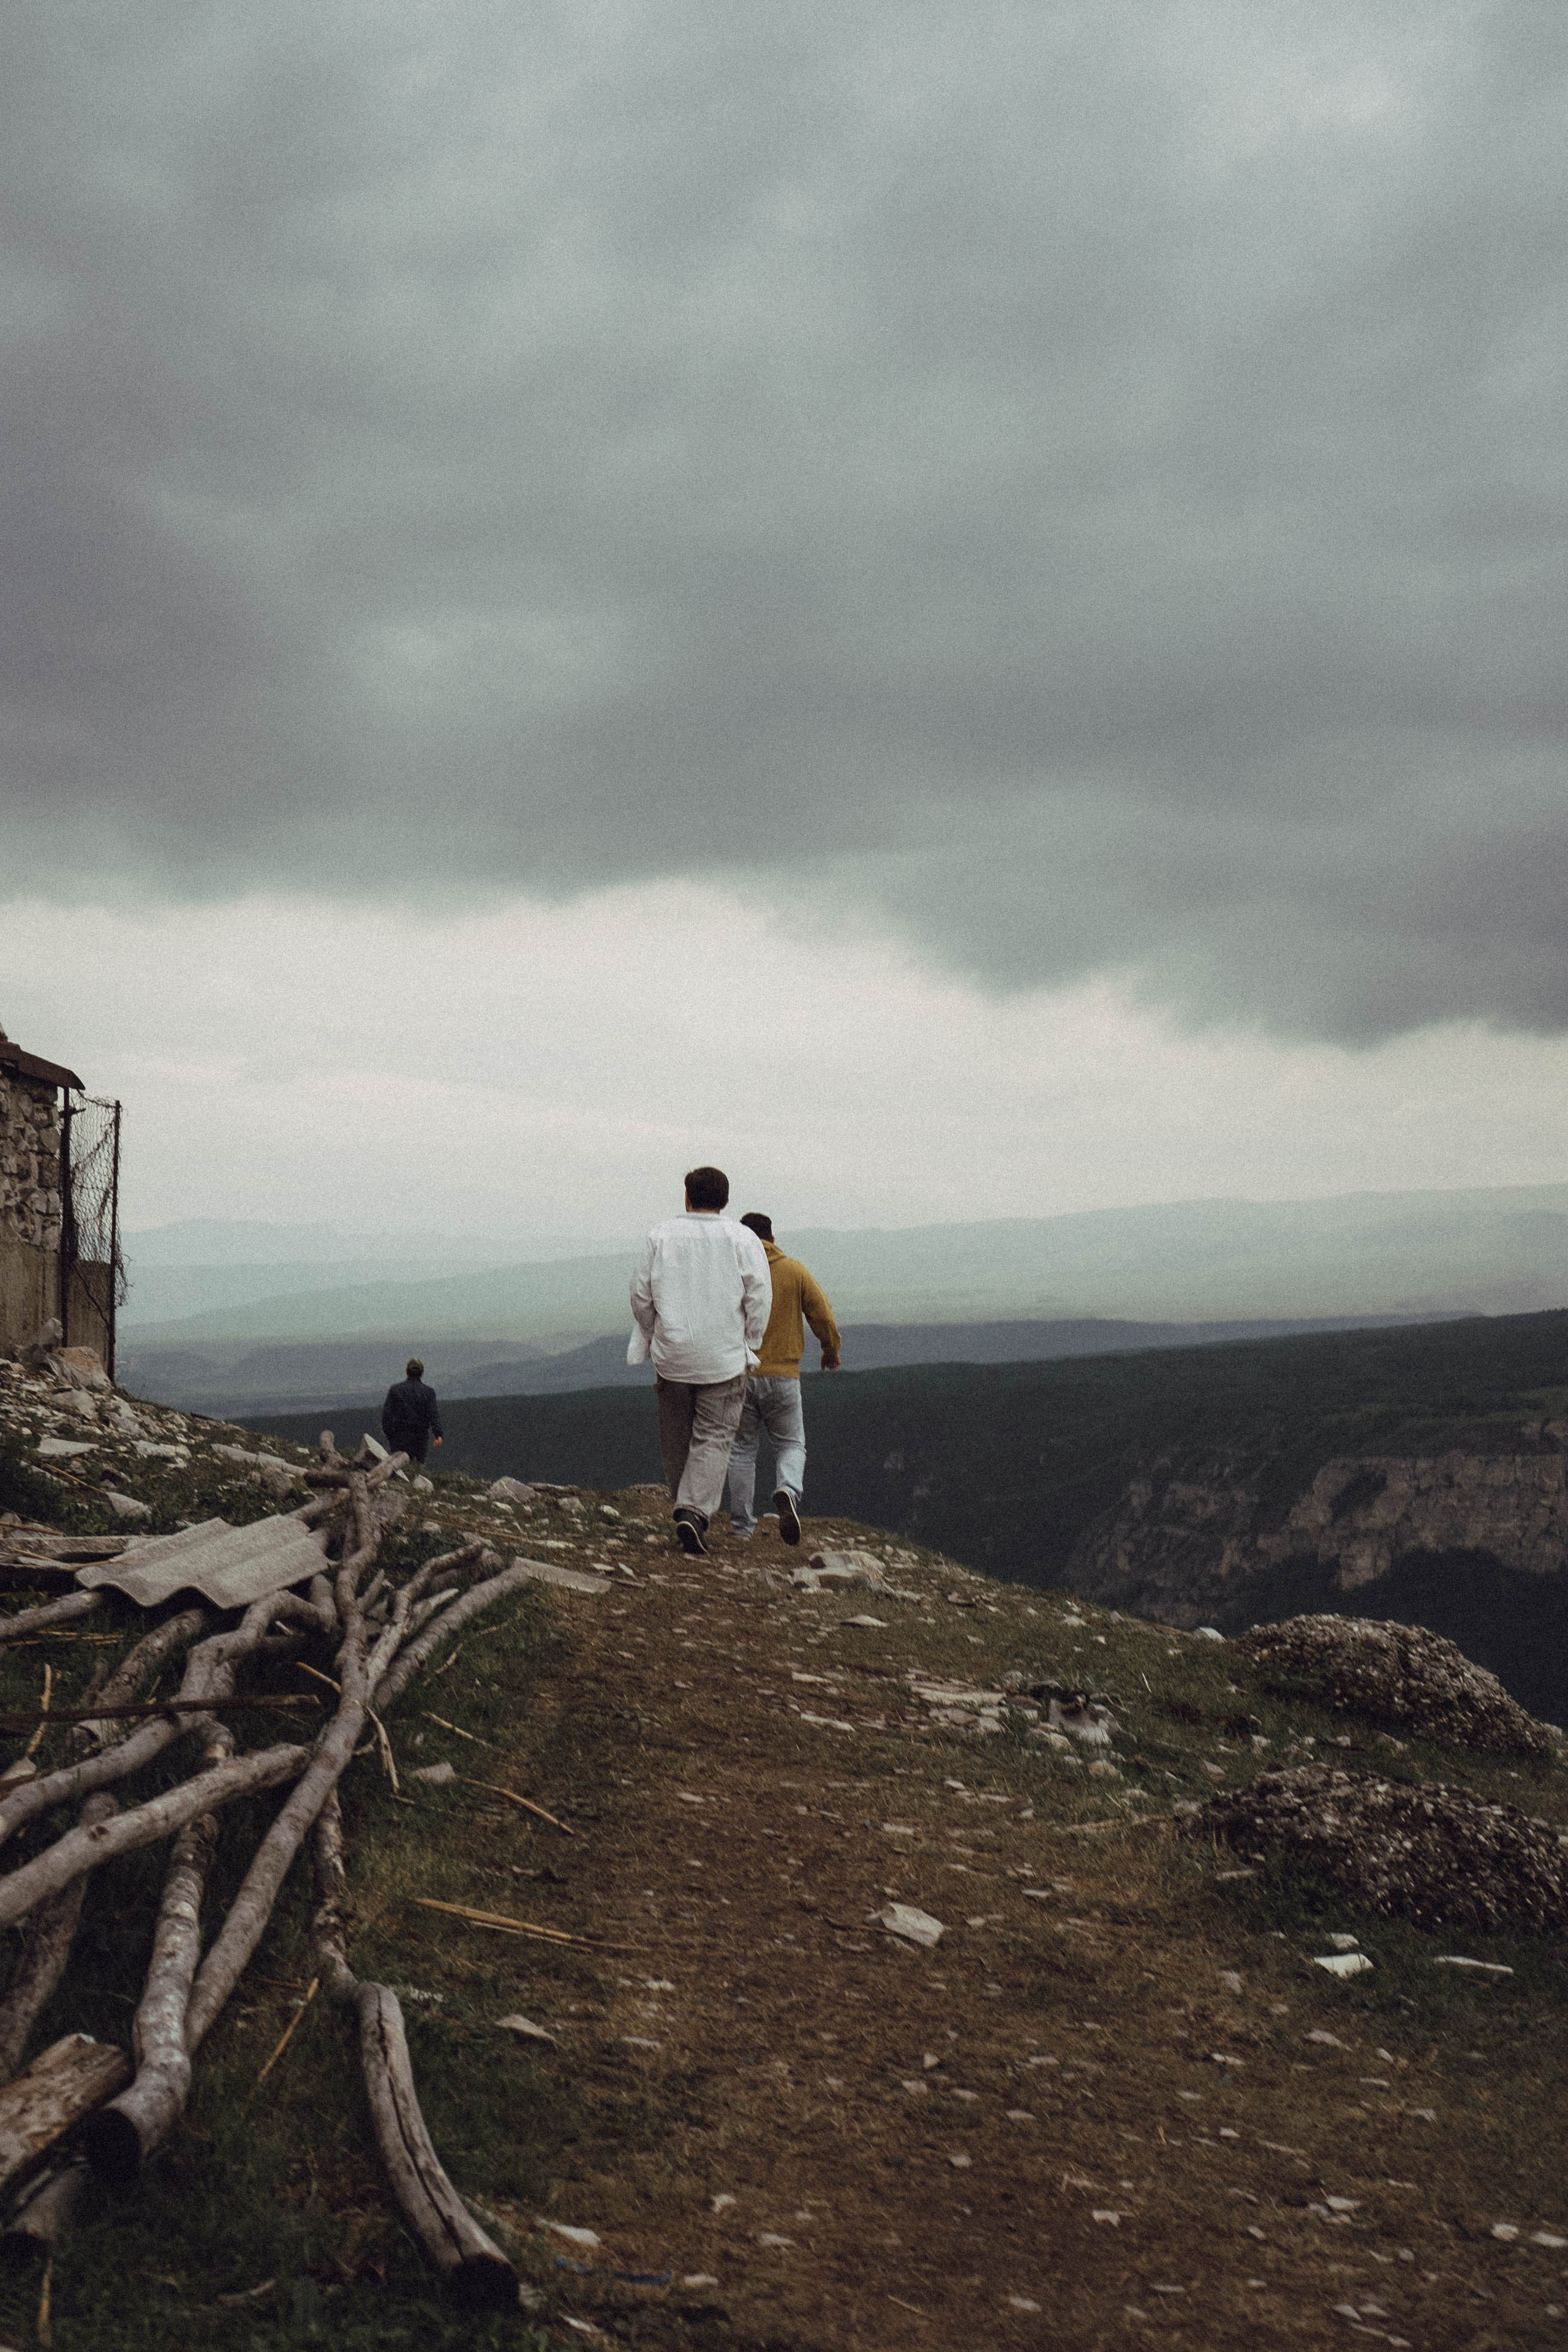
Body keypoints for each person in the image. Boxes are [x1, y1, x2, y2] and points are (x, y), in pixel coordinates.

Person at [629, 1165, 772, 1556]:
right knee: (714, 1435)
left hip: (672, 1355)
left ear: (687, 1197)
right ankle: (693, 1511)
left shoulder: (659, 1236)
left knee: (676, 1433)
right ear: (725, 1200)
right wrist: (752, 1340)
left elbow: (641, 1295)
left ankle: (684, 1507)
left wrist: (654, 1331)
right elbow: (759, 1296)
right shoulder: (742, 1239)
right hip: (723, 1357)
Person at [723, 1213, 842, 1545]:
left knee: (742, 1451)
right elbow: (823, 1315)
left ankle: (742, 1528)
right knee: (791, 1443)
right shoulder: (794, 1271)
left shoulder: (734, 1273)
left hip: (740, 1374)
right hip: (784, 1376)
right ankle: (787, 1489)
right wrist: (830, 1350)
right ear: (773, 1239)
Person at [380, 1356, 444, 1464]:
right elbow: (433, 1415)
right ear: (422, 1373)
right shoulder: (429, 1392)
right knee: (417, 1469)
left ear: (407, 1371)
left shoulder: (395, 1390)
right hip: (420, 1438)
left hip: (399, 1437)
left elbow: (386, 1416)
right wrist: (438, 1435)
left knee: (399, 1469)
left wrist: (391, 1435)